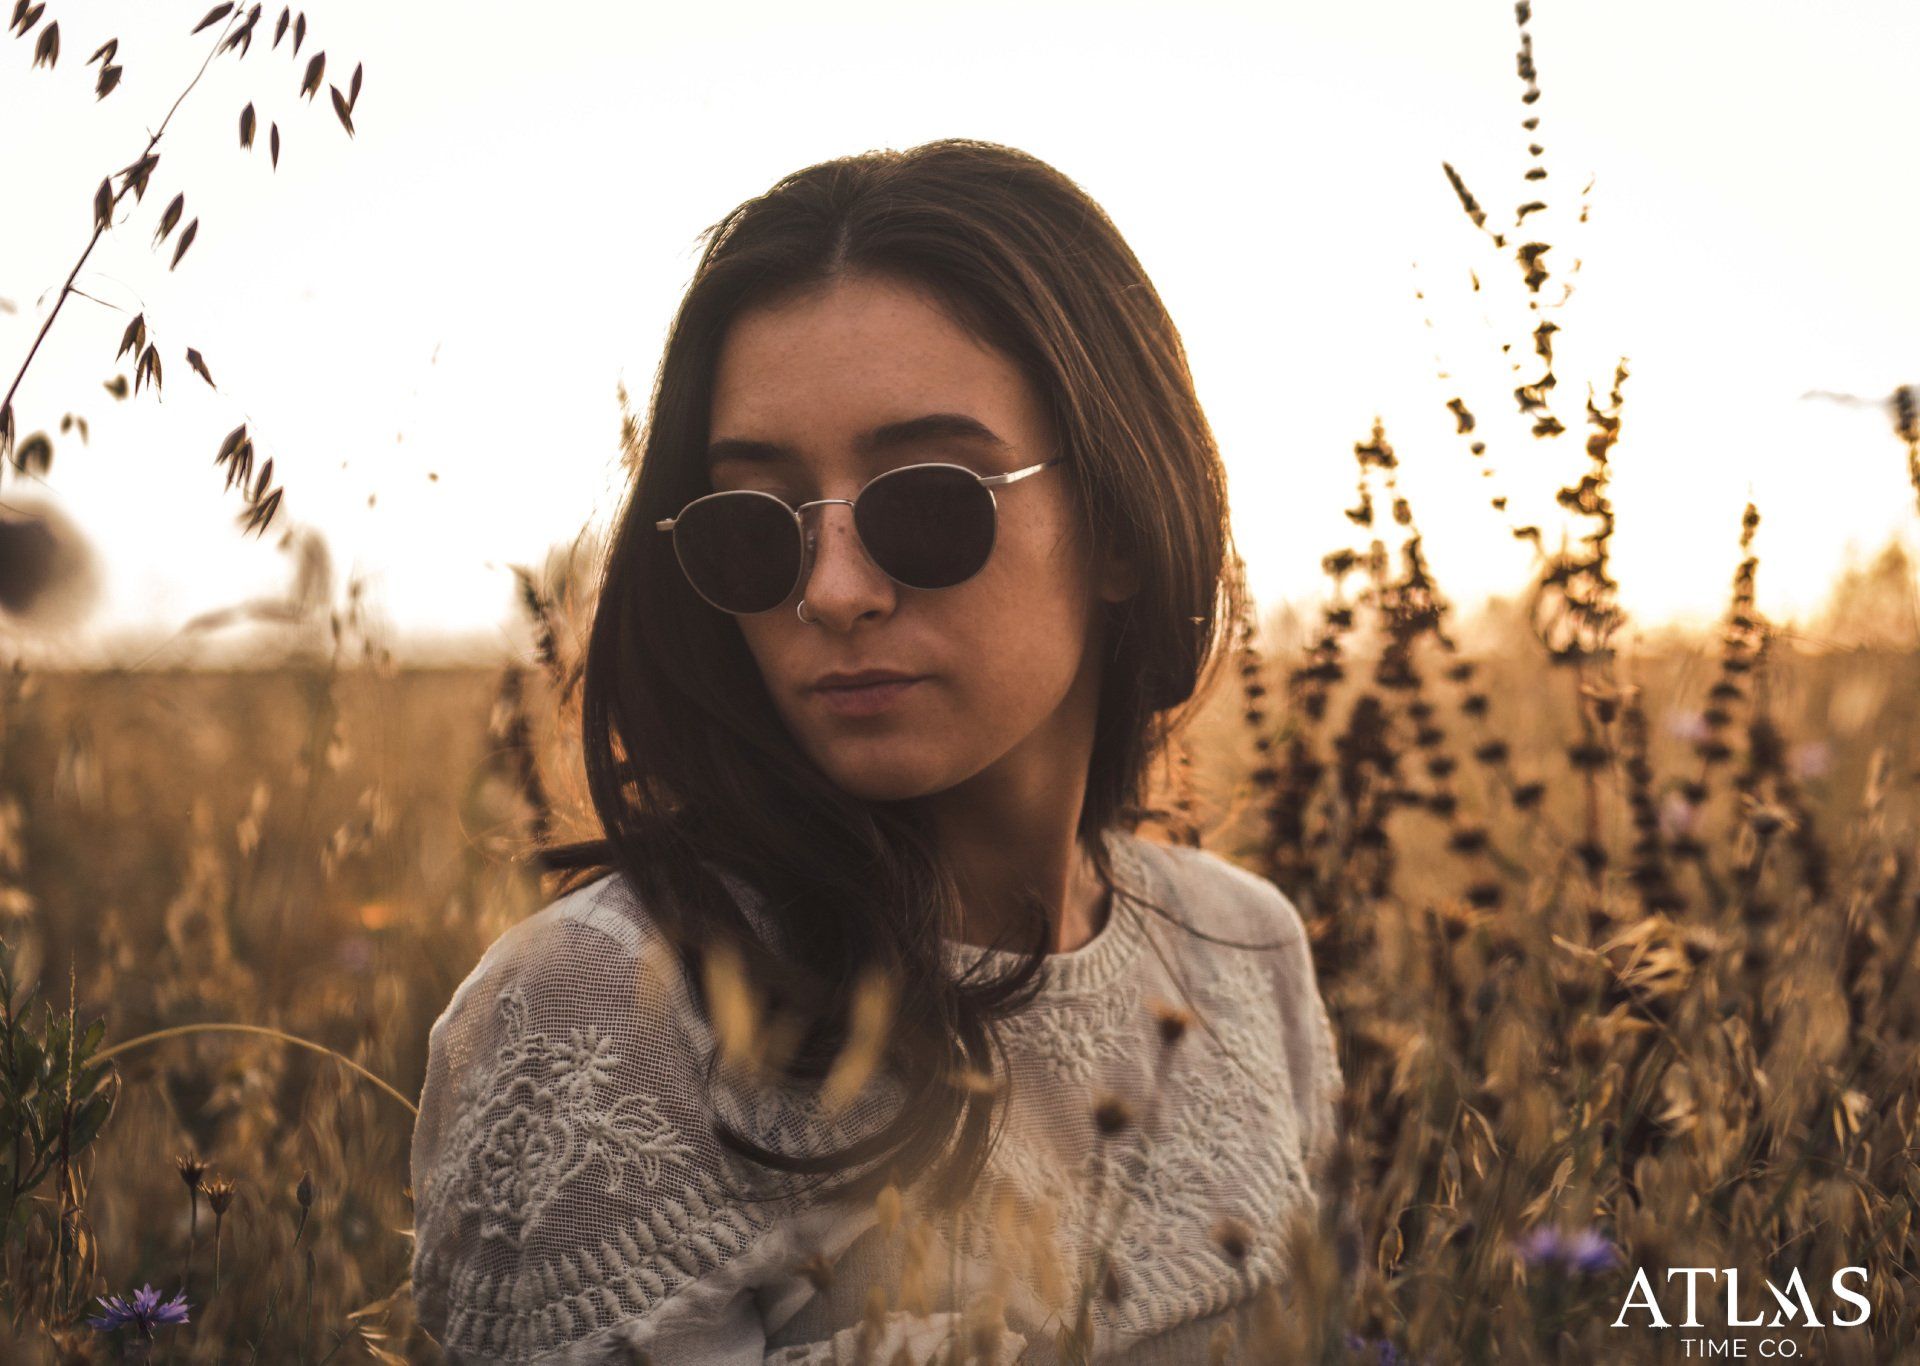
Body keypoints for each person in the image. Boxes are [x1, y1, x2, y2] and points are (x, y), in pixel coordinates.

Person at [408, 138, 1343, 1364]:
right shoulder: (605, 1014)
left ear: (1120, 522)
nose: (836, 589)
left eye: (927, 500)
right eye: (756, 525)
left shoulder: (1240, 955)